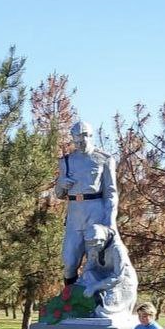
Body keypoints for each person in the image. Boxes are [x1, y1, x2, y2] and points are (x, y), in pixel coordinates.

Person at [54, 121, 119, 286]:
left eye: (82, 141)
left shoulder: (104, 159)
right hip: (75, 214)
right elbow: (60, 194)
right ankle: (68, 298)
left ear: (90, 136)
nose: (79, 145)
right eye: (76, 142)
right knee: (69, 262)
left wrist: (110, 220)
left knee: (94, 263)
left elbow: (111, 193)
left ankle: (94, 303)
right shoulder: (66, 161)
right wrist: (61, 183)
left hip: (96, 213)